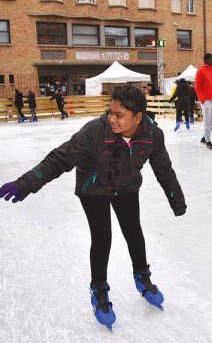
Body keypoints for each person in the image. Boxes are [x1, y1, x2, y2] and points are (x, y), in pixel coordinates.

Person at [0, 86, 187, 330]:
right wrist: (25, 184)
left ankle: (142, 276)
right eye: (111, 112)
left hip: (126, 185)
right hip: (94, 186)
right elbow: (59, 159)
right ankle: (99, 288)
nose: (112, 119)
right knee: (102, 237)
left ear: (138, 117)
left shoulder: (152, 135)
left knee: (134, 231)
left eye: (119, 115)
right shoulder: (94, 132)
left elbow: (163, 169)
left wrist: (176, 198)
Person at [195, 53, 212, 150]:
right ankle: (208, 141)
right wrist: (202, 100)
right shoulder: (200, 71)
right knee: (207, 121)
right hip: (206, 100)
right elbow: (197, 87)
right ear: (206, 60)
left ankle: (204, 137)